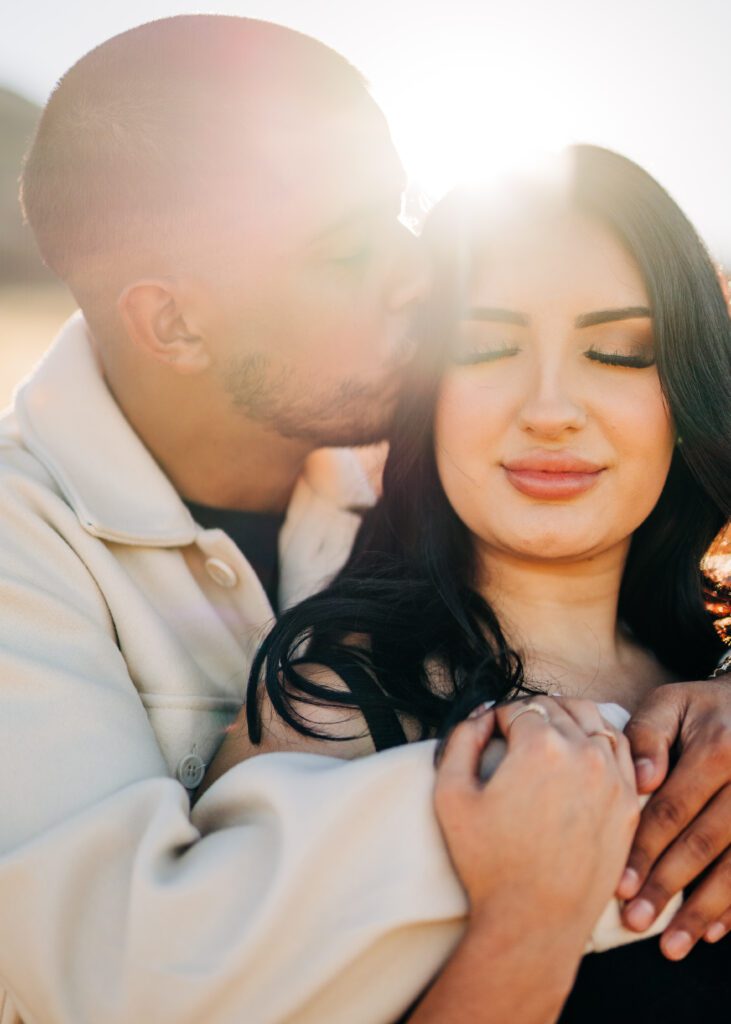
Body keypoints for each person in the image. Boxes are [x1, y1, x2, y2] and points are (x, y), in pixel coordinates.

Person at [0, 11, 729, 1021]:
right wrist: (618, 781)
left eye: (395, 212)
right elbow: (120, 972)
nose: (414, 270)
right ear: (174, 321)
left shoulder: (418, 439)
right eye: (345, 251)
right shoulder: (19, 549)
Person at [205, 145, 731, 1018]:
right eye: (486, 346)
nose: (552, 407)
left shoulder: (704, 671)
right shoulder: (329, 711)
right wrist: (527, 924)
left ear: (686, 393)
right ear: (425, 394)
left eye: (618, 350)